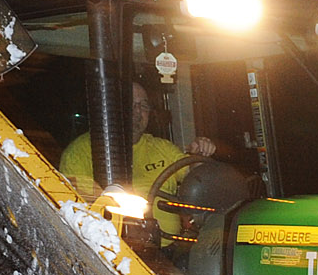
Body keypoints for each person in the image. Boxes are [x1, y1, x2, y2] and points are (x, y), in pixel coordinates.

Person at [59, 80, 218, 231]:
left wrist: (199, 153)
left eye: (143, 105)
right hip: (114, 251)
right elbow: (79, 213)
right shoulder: (79, 154)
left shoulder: (162, 148)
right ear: (112, 107)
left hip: (172, 248)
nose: (137, 111)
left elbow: (196, 178)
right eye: (130, 104)